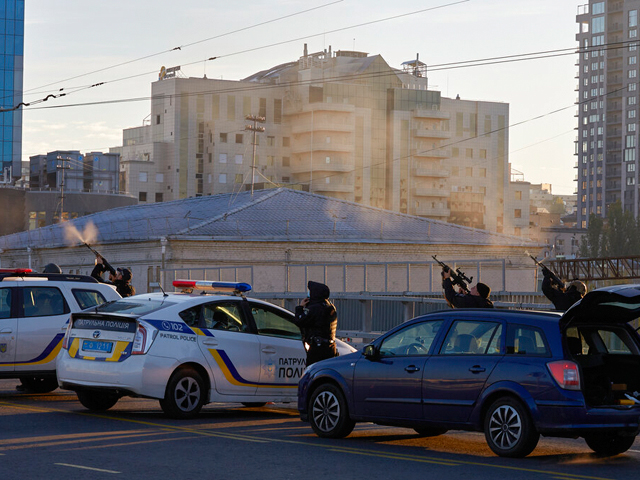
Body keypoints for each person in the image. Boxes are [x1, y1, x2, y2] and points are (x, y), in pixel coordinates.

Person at [293, 281, 339, 366]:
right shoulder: (330, 307)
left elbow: (299, 321)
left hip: (318, 349)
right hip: (331, 347)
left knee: (312, 373)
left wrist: (300, 307)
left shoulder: (315, 308)